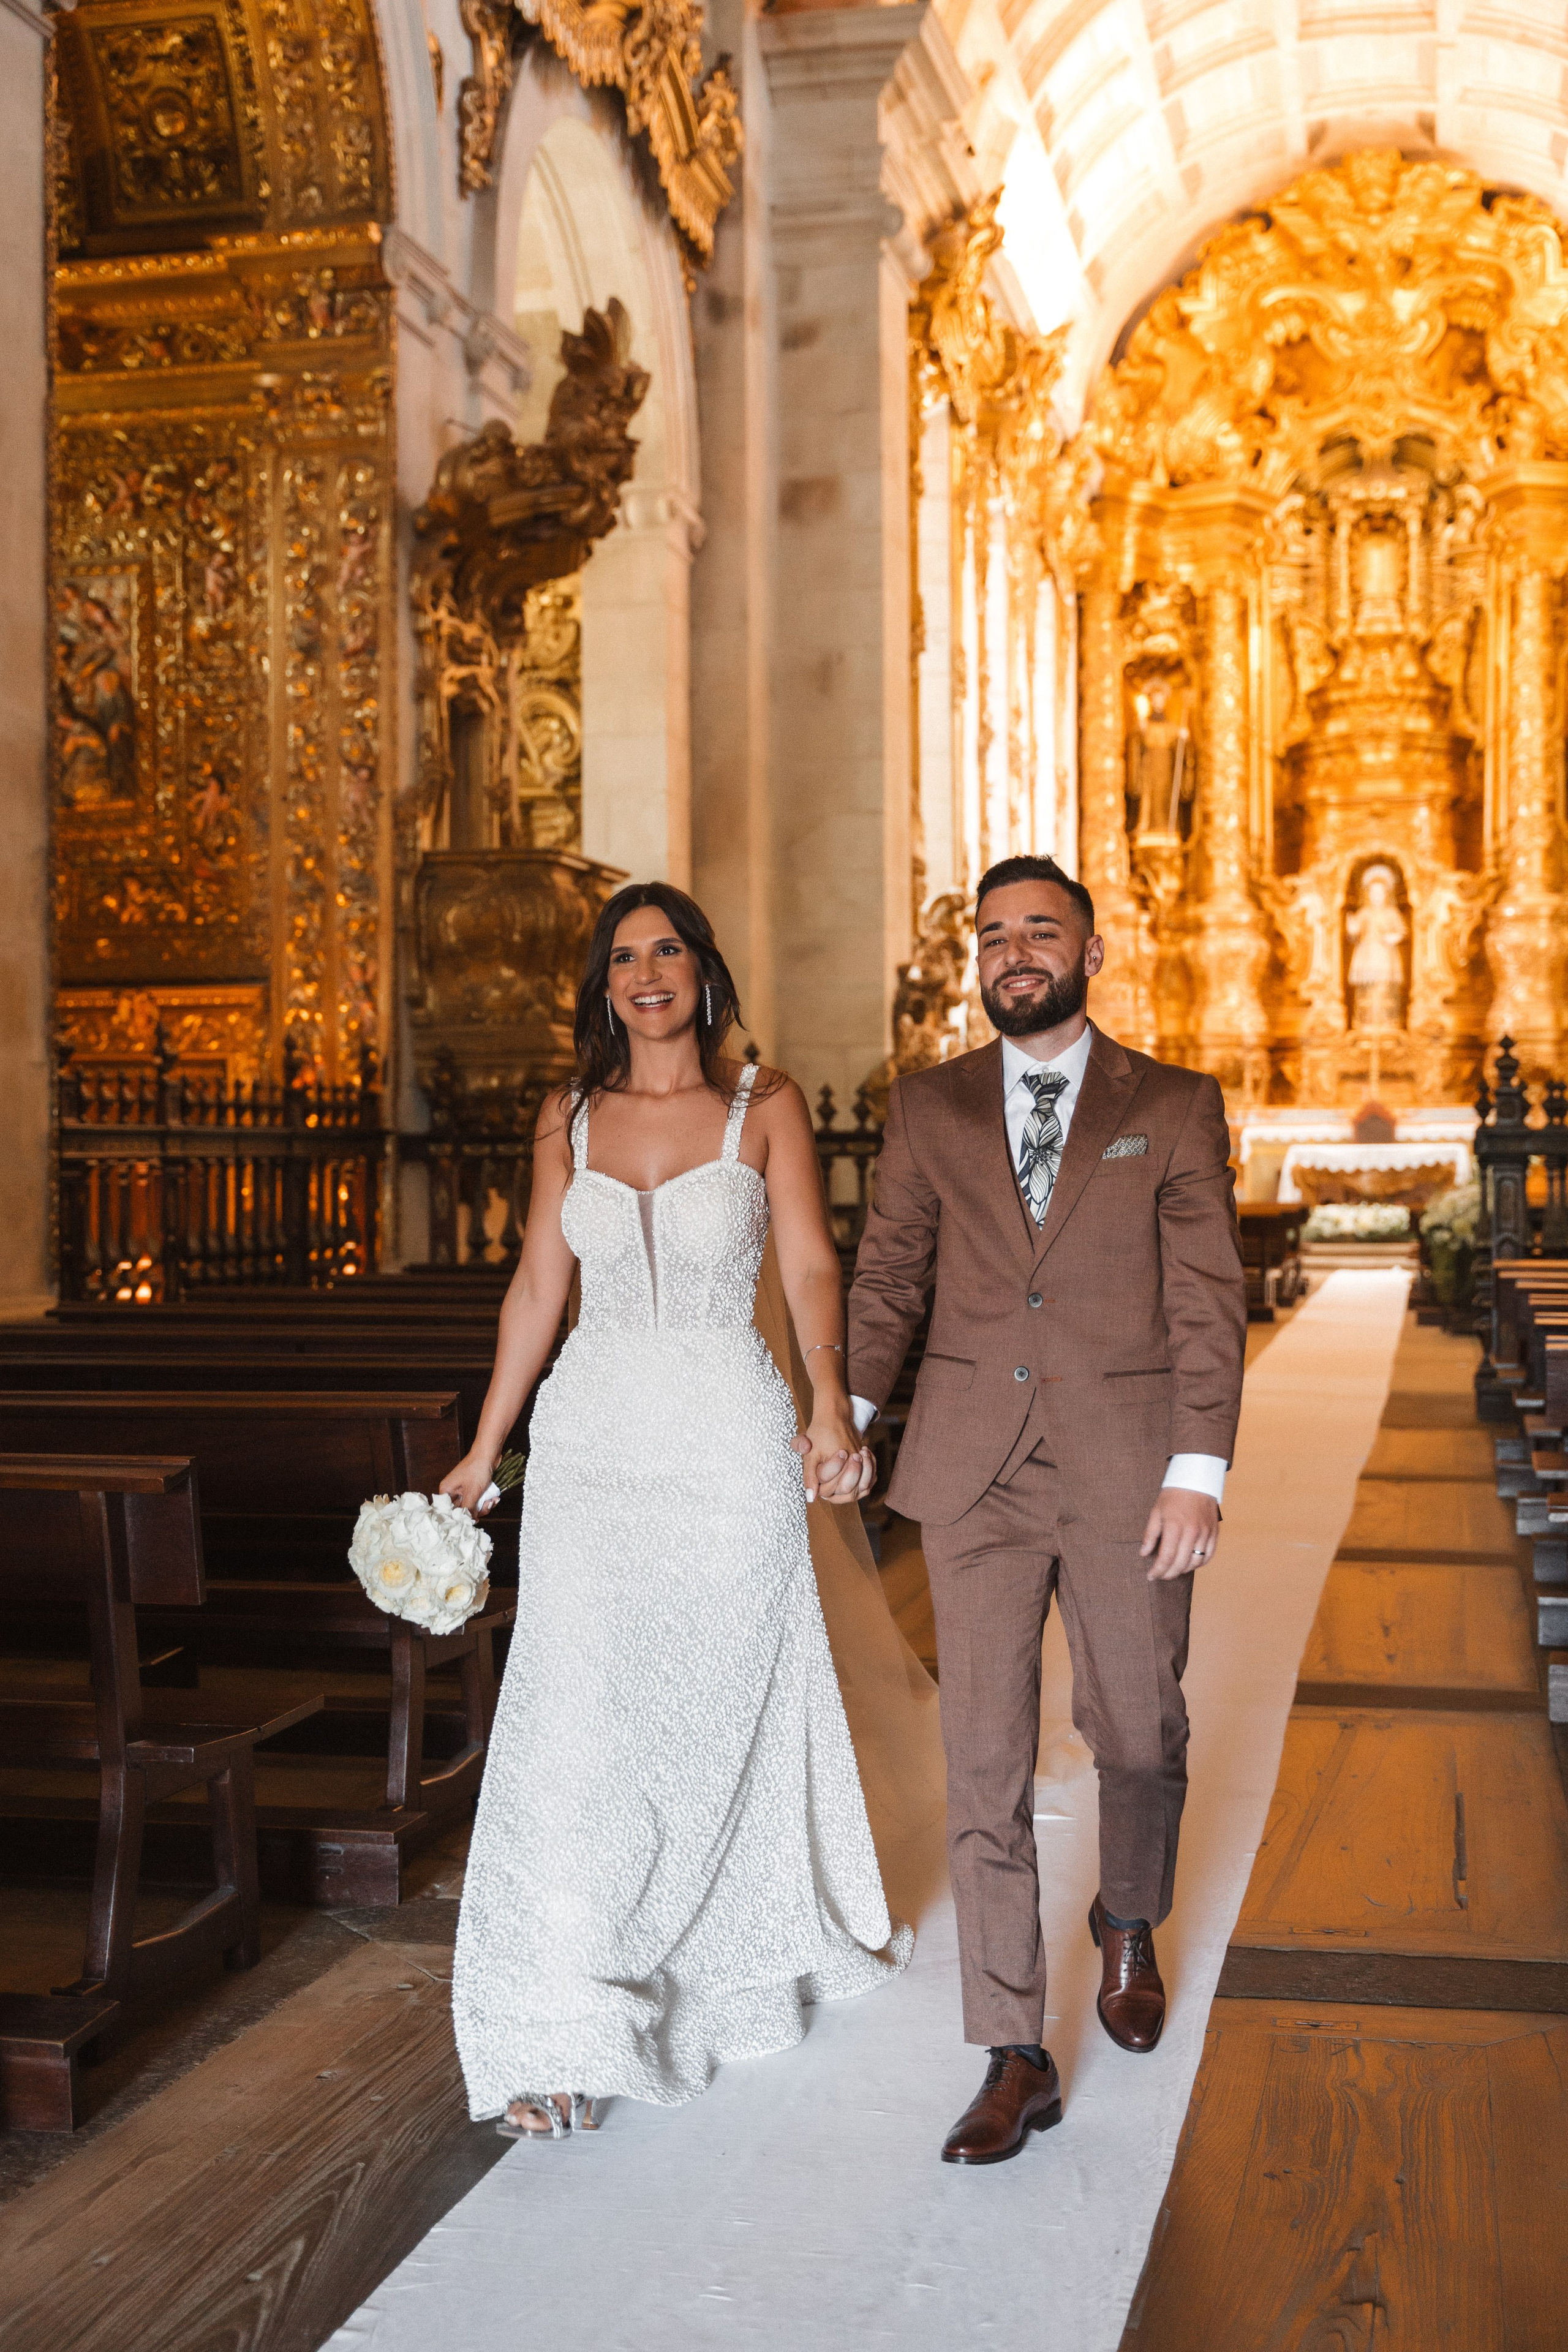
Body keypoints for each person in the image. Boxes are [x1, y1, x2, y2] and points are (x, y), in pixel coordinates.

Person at [442, 881, 913, 2138]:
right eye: (621, 958)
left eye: (667, 950)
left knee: (719, 1697)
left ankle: (719, 1944)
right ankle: (563, 2002)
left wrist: (826, 1403)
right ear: (601, 987)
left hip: (725, 1434)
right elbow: (539, 1284)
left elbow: (810, 1260)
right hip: (591, 1443)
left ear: (705, 971)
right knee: (576, 1715)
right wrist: (485, 1448)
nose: (645, 973)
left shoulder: (767, 1106)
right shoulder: (568, 1117)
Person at [846, 853, 1245, 2166]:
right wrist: (844, 1415)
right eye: (992, 934)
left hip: (1128, 1465)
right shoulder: (929, 1107)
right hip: (973, 1470)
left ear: (1088, 949)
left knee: (1136, 1728)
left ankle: (1126, 1914)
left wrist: (1197, 1469)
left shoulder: (1172, 1106)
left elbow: (1202, 1298)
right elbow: (889, 1273)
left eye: (1039, 931)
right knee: (982, 1760)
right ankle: (1009, 2049)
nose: (1014, 952)